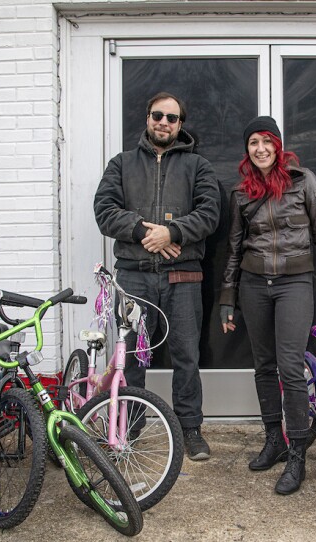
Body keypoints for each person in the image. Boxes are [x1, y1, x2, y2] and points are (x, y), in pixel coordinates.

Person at [219, 116, 316, 494]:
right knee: (263, 365)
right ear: (247, 150)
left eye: (266, 142)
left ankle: (298, 453)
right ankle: (274, 439)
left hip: (294, 282)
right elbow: (234, 248)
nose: (260, 149)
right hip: (254, 285)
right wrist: (227, 297)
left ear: (277, 145)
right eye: (253, 143)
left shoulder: (302, 180)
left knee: (291, 366)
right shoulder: (241, 192)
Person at [94, 92, 220, 461]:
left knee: (186, 356)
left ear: (181, 125)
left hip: (183, 277)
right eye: (157, 115)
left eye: (172, 118)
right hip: (133, 278)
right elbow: (104, 210)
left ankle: (190, 429)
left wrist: (174, 233)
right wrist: (143, 231)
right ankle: (128, 428)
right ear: (147, 118)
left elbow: (211, 212)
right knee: (130, 356)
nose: (164, 122)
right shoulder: (121, 164)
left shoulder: (198, 166)